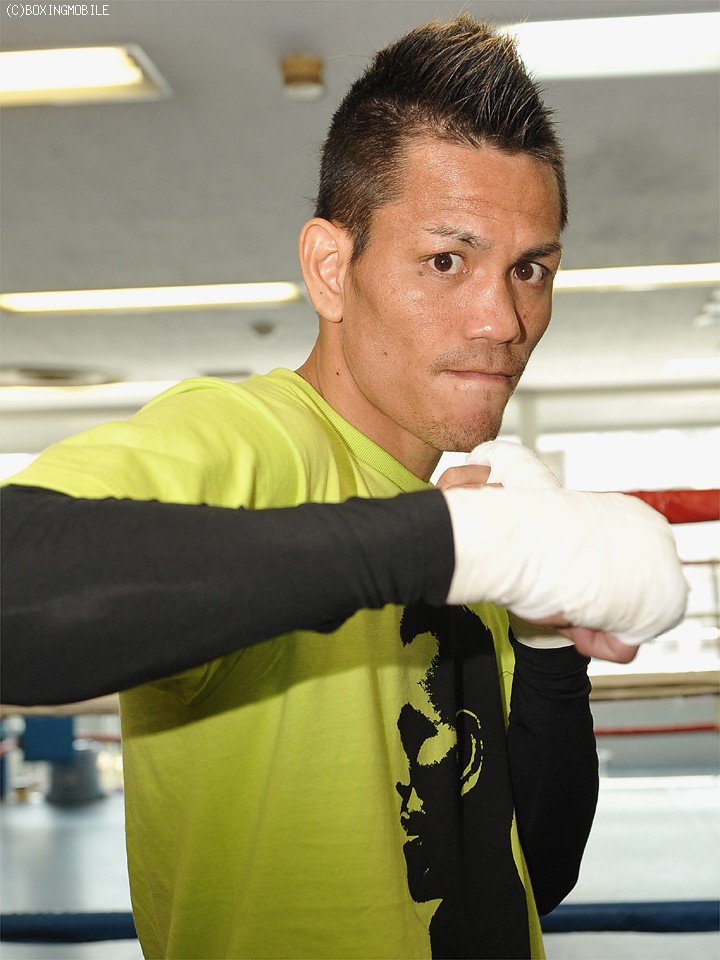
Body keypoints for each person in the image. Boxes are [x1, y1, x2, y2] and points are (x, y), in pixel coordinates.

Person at [0, 15, 688, 960]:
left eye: (530, 269)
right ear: (332, 269)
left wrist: (545, 648)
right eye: (446, 261)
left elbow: (532, 868)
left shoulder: (479, 510)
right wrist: (459, 544)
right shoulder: (252, 444)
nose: (503, 319)